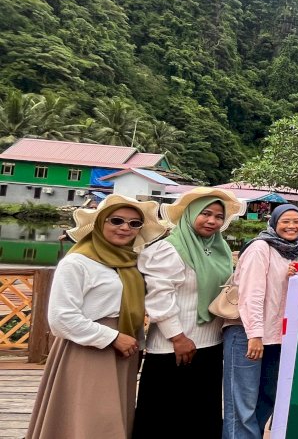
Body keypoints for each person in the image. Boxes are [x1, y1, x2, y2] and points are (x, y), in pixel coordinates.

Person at [27, 195, 166, 439]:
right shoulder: (77, 262)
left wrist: (136, 343)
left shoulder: (131, 263)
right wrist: (112, 337)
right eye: (117, 220)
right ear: (101, 223)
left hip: (125, 349)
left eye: (134, 224)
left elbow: (133, 309)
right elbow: (61, 318)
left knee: (115, 416)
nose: (125, 228)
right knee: (92, 419)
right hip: (88, 348)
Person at [133, 188, 242, 438]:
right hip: (174, 347)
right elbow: (159, 296)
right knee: (166, 417)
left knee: (200, 416)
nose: (212, 221)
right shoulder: (169, 249)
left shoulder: (220, 249)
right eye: (205, 214)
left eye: (218, 216)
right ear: (190, 214)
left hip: (211, 344)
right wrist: (177, 337)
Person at [223, 204, 298, 439]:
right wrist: (254, 335)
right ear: (274, 223)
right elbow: (252, 294)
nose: (291, 226)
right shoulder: (260, 248)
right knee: (242, 401)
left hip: (275, 336)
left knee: (267, 395)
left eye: (296, 222)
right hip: (248, 334)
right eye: (285, 221)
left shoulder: (292, 252)